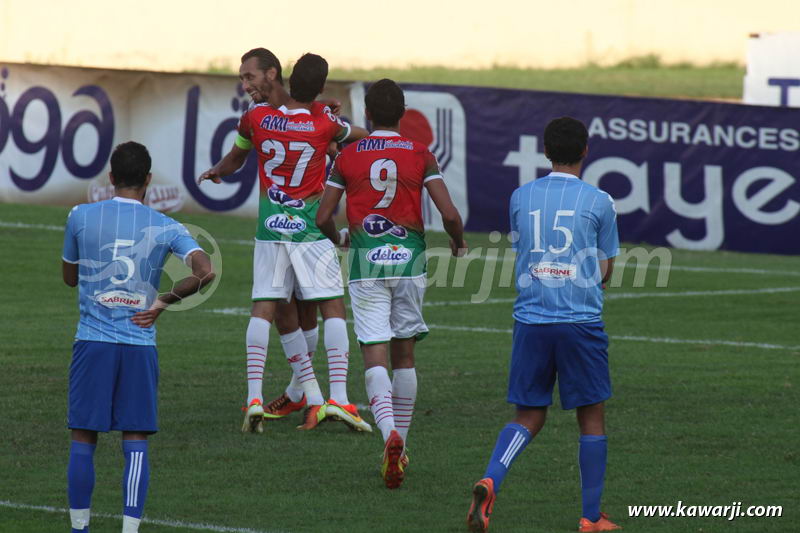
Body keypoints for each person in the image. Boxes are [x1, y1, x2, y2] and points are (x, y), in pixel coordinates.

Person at [199, 50, 371, 433]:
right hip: (310, 231)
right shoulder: (324, 122)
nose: (246, 85)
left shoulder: (256, 118)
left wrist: (216, 171)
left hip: (271, 229)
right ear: (321, 88)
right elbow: (355, 135)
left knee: (264, 308)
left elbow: (235, 159)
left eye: (248, 77)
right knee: (333, 308)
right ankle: (338, 398)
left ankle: (255, 397)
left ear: (284, 78)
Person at [466, 117, 620, 532]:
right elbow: (604, 270)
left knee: (529, 413)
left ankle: (491, 478)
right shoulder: (600, 201)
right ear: (586, 151)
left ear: (545, 151)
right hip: (580, 321)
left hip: (531, 319)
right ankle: (590, 517)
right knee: (590, 416)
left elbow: (525, 249)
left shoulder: (521, 196)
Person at [316, 78, 467, 489]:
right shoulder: (420, 153)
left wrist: (343, 239)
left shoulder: (347, 157)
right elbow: (450, 213)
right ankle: (403, 441)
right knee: (405, 357)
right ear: (402, 115)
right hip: (410, 263)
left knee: (374, 356)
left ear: (366, 115)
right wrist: (456, 241)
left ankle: (389, 438)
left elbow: (323, 217)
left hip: (368, 265)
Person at [62, 142, 215, 533]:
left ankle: (80, 529)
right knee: (135, 438)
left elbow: (69, 276)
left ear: (110, 178)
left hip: (92, 342)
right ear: (148, 180)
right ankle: (130, 531)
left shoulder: (80, 216)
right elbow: (205, 270)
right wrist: (163, 300)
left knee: (83, 435)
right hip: (139, 343)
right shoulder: (166, 226)